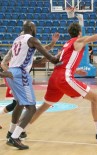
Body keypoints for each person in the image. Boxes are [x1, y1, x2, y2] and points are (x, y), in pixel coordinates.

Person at [28, 10, 97, 141]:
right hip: (64, 78)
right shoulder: (79, 40)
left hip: (55, 78)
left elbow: (61, 63)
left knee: (44, 106)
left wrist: (76, 70)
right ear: (80, 32)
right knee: (96, 98)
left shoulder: (65, 45)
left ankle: (19, 130)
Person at [4, 20, 60, 150]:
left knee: (20, 104)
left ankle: (11, 132)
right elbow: (47, 54)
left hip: (12, 72)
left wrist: (50, 54)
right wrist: (56, 59)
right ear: (30, 28)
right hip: (21, 74)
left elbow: (33, 62)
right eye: (34, 27)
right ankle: (15, 137)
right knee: (31, 108)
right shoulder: (32, 39)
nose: (35, 29)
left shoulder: (17, 39)